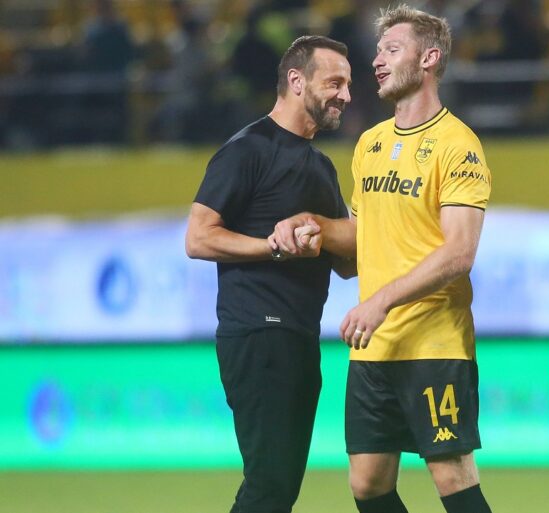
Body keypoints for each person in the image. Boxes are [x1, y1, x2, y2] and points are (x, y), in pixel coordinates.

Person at [272, 5, 493, 513]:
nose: (377, 61)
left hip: (433, 342)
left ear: (429, 58)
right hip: (374, 347)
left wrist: (381, 302)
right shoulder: (370, 144)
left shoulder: (458, 145)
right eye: (378, 51)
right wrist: (315, 226)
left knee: (452, 476)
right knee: (368, 484)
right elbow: (361, 237)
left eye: (392, 50)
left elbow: (459, 252)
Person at [184, 35, 354, 513]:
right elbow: (198, 237)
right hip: (258, 334)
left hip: (299, 337)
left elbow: (347, 265)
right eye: (335, 83)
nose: (345, 95)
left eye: (347, 85)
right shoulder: (248, 149)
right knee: (270, 485)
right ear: (296, 81)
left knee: (278, 489)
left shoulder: (321, 166)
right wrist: (272, 247)